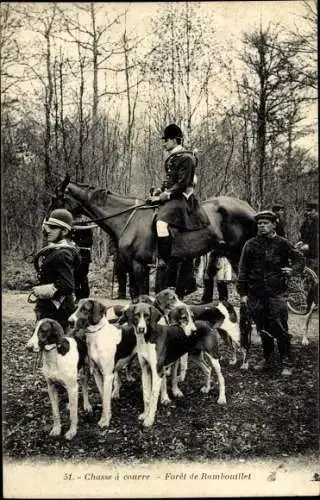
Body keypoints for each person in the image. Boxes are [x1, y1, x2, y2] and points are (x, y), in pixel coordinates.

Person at [237, 210, 305, 376]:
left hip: (277, 293)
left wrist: (292, 270)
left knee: (280, 327)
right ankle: (267, 359)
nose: (262, 226)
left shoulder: (283, 243)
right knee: (262, 328)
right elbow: (243, 270)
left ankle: (286, 361)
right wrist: (243, 294)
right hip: (256, 293)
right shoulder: (250, 244)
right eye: (259, 223)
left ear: (274, 224)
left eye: (266, 223)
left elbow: (300, 260)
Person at [147, 123, 210, 291]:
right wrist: (159, 190)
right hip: (172, 196)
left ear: (175, 140)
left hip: (182, 199)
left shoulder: (186, 158)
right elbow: (169, 181)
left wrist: (164, 195)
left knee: (161, 224)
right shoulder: (174, 157)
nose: (164, 143)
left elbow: (182, 184)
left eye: (166, 140)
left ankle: (165, 259)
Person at [31, 209, 80, 331]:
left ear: (64, 231)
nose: (48, 231)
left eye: (53, 228)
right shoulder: (57, 250)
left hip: (58, 312)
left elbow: (68, 285)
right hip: (52, 309)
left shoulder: (63, 253)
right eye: (48, 227)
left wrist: (44, 290)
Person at [72, 217, 97, 301]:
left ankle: (85, 296)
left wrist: (77, 244)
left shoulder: (87, 229)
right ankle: (78, 296)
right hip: (74, 257)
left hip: (84, 257)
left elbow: (89, 242)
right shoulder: (72, 229)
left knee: (82, 276)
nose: (79, 219)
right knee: (75, 277)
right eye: (78, 218)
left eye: (80, 218)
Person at [297, 201, 318, 275]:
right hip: (308, 256)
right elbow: (304, 235)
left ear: (316, 210)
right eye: (307, 210)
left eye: (309, 210)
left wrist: (309, 246)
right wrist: (301, 242)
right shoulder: (307, 222)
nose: (307, 213)